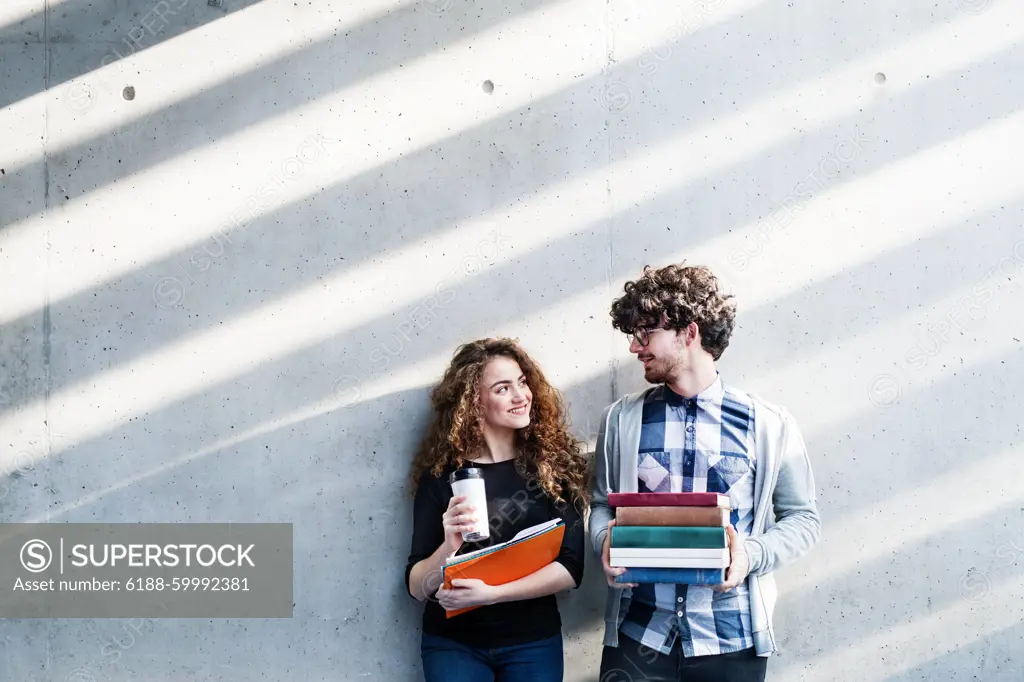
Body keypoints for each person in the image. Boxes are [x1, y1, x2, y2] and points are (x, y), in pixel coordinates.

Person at [590, 263, 821, 681]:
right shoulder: (621, 420)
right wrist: (605, 540)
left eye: (646, 333)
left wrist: (750, 555)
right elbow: (602, 505)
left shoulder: (769, 424)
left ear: (689, 333)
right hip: (639, 639)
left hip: (731, 642)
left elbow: (803, 520)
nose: (634, 348)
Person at [405, 337, 589, 682]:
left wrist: (493, 595)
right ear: (473, 402)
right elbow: (418, 588)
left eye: (522, 382)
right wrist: (449, 545)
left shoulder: (553, 468)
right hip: (453, 645)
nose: (521, 396)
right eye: (503, 388)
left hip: (533, 643)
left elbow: (571, 568)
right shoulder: (441, 477)